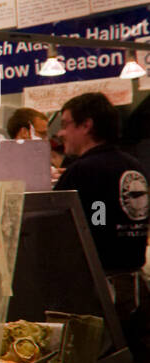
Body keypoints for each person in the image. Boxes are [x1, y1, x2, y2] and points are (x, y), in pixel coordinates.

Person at [55, 93, 149, 281]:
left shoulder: (83, 171)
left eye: (65, 124)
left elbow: (57, 230)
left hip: (97, 284)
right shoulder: (134, 166)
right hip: (134, 282)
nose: (60, 133)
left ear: (86, 125)